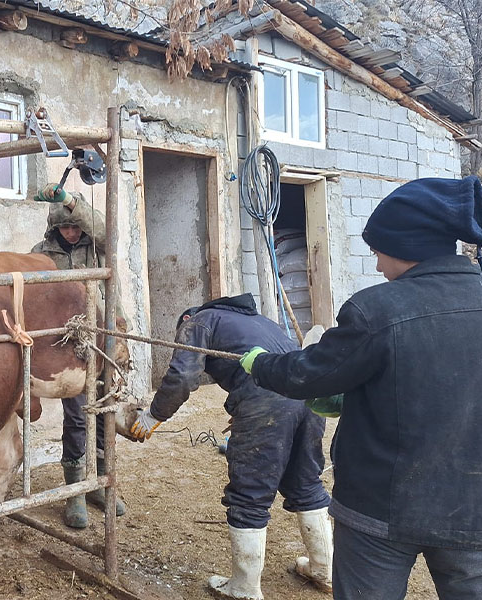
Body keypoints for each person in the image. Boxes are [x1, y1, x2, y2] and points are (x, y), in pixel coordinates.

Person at [240, 176, 482, 599]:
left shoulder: (376, 308)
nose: (377, 266)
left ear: (406, 245)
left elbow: (307, 373)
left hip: (381, 507)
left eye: (378, 252)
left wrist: (260, 363)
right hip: (476, 508)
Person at [131, 293, 333, 599]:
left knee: (249, 495)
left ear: (186, 319)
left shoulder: (197, 321)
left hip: (265, 401)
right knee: (305, 483)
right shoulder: (260, 320)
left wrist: (153, 415)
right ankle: (324, 569)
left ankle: (245, 588)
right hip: (309, 399)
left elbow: (183, 375)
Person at [31, 183, 127, 529]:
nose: (70, 232)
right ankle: (75, 489)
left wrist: (71, 202)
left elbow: (107, 231)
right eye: (64, 227)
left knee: (104, 411)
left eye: (75, 226)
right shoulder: (41, 253)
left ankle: (100, 482)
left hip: (104, 338)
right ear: (54, 228)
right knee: (76, 416)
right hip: (67, 343)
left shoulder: (97, 248)